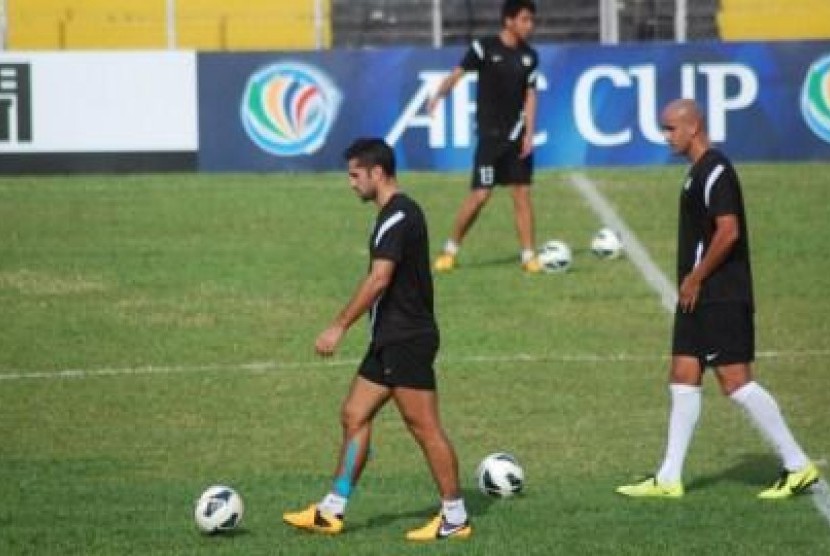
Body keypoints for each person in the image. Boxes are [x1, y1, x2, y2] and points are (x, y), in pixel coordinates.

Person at [616, 99, 819, 499]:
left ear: (693, 127)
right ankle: (669, 477)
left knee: (736, 382)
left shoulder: (716, 170)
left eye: (671, 128)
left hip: (719, 295)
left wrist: (696, 277)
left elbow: (729, 232)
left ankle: (798, 465)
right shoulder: (695, 173)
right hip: (697, 297)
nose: (666, 136)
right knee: (683, 375)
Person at [282, 138, 471, 541]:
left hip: (407, 338)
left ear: (377, 173)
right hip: (388, 338)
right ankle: (332, 510)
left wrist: (338, 325)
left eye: (355, 175)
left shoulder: (400, 215)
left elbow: (380, 278)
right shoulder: (389, 214)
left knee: (423, 426)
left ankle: (455, 516)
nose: (350, 183)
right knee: (354, 414)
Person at [428, 0, 542, 273]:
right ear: (509, 21)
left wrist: (529, 132)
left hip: (516, 137)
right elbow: (458, 74)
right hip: (491, 139)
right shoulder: (484, 48)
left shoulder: (530, 56)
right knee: (480, 195)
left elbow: (530, 94)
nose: (530, 25)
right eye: (525, 19)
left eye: (532, 20)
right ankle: (450, 250)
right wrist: (438, 96)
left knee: (522, 194)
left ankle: (528, 256)